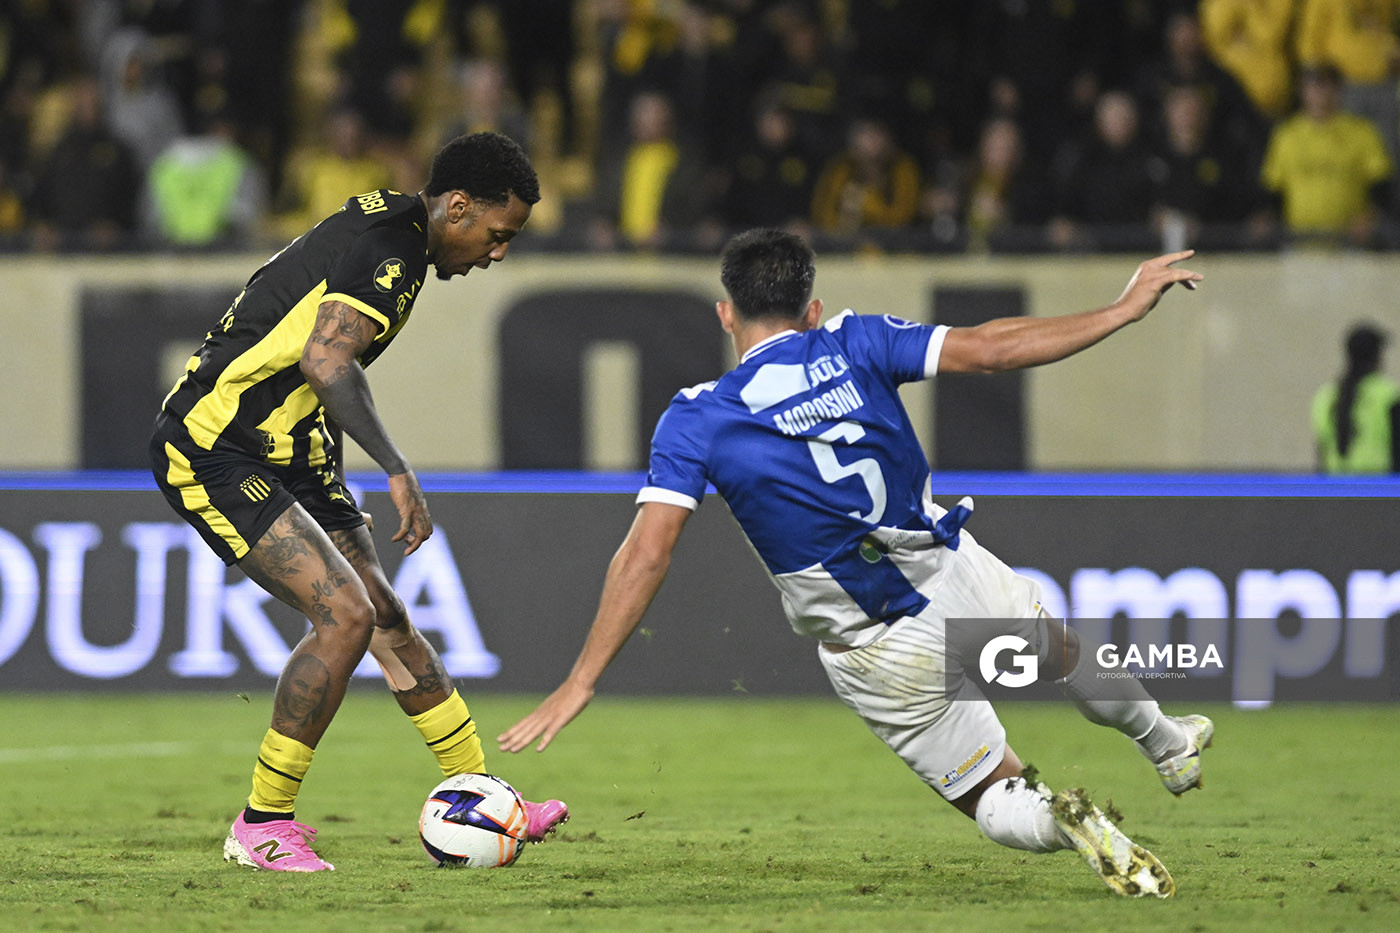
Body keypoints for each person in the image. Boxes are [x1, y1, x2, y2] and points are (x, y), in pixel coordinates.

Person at [499, 229, 1211, 898]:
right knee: (1059, 652)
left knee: (991, 790)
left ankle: (1064, 817)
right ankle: (1167, 745)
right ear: (811, 308)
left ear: (725, 314)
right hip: (951, 573)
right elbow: (994, 349)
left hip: (874, 647)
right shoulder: (855, 338)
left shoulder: (698, 417)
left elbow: (647, 552)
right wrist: (1122, 309)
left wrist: (581, 679)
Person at [149, 132, 568, 873]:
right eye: (497, 235)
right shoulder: (394, 250)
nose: (497, 253)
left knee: (388, 617)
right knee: (344, 615)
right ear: (458, 206)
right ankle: (261, 824)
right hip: (216, 444)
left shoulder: (396, 228)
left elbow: (304, 363)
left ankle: (482, 791)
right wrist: (397, 467)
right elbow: (325, 357)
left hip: (293, 443)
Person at [1312, 323, 1400, 473]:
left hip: (1334, 488)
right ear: (1377, 355)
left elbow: (1322, 451)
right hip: (1379, 488)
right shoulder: (1388, 395)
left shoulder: (1325, 396)